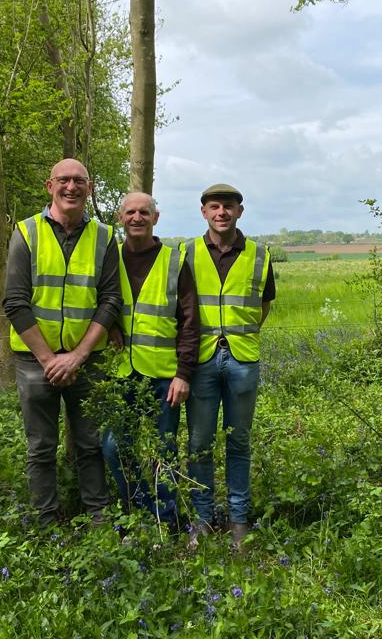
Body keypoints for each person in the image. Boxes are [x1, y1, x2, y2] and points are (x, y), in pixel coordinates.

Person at [3, 159, 121, 528]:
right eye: (64, 180)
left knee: (90, 443)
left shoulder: (104, 236)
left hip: (88, 360)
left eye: (79, 181)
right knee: (41, 447)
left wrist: (77, 356)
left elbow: (111, 300)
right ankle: (46, 522)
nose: (71, 187)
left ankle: (98, 517)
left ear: (90, 188)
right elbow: (15, 302)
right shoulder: (26, 232)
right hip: (34, 361)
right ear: (49, 185)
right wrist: (50, 359)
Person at [185, 183, 275, 548]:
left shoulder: (259, 255)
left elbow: (263, 307)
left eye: (229, 207)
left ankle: (239, 522)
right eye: (215, 206)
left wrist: (238, 336)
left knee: (239, 443)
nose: (222, 212)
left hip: (241, 359)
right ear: (204, 212)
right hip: (201, 359)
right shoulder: (186, 253)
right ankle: (202, 520)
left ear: (240, 212)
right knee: (198, 443)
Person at [102, 192, 199, 527]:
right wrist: (111, 325)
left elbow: (190, 322)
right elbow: (95, 303)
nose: (137, 218)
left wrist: (184, 373)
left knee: (165, 452)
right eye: (130, 212)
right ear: (120, 218)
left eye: (145, 212)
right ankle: (141, 511)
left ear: (156, 218)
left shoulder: (174, 261)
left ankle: (166, 520)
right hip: (121, 373)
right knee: (115, 448)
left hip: (164, 376)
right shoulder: (108, 257)